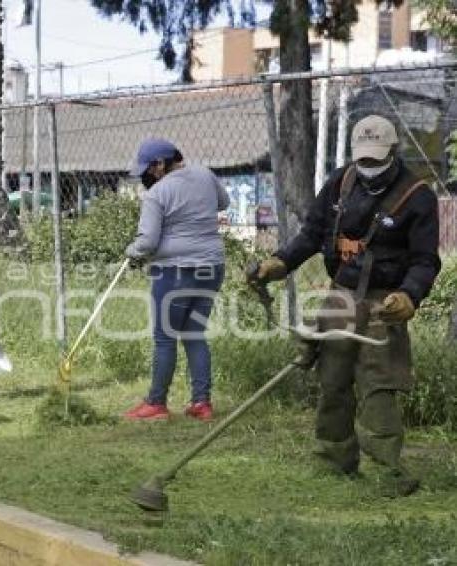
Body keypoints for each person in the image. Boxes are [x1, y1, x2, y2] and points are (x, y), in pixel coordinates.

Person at [252, 114, 441, 495]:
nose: (369, 167)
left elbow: (425, 260)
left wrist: (409, 295)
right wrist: (282, 262)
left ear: (393, 150)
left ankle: (387, 471)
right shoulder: (340, 182)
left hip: (383, 301)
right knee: (332, 379)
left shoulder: (418, 196)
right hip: (340, 294)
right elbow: (313, 233)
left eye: (377, 159)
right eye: (363, 159)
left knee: (378, 386)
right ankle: (334, 459)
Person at [123, 139, 229, 422]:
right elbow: (224, 202)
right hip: (212, 266)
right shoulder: (205, 174)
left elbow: (147, 242)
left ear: (160, 164)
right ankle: (201, 403)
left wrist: (131, 253)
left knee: (164, 338)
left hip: (174, 272)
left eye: (147, 170)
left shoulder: (157, 194)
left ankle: (156, 404)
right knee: (194, 334)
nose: (146, 176)